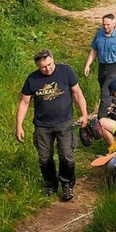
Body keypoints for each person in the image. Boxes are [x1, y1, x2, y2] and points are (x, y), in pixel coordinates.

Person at [16, 49, 88, 202]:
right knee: (44, 158)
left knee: (67, 156)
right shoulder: (32, 79)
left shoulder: (66, 71)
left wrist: (84, 113)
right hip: (43, 125)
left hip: (64, 122)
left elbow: (77, 93)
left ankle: (67, 184)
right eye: (43, 67)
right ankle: (51, 184)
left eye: (49, 64)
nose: (47, 69)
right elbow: (24, 102)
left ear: (53, 60)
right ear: (38, 66)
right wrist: (19, 126)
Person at [83, 13, 116, 118]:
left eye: (108, 25)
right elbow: (94, 51)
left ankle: (101, 119)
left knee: (106, 92)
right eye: (104, 24)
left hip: (115, 66)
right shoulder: (99, 34)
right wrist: (88, 65)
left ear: (114, 24)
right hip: (102, 66)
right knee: (111, 93)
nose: (105, 27)